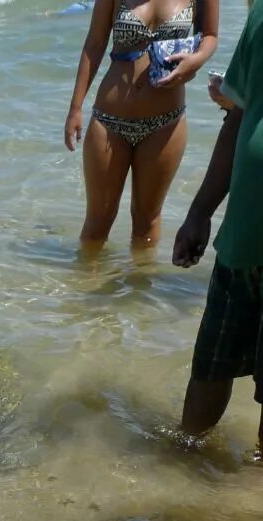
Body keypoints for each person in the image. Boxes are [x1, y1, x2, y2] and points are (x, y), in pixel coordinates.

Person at [173, 0, 263, 446]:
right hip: (243, 235)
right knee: (210, 367)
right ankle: (179, 473)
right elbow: (240, 113)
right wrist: (199, 212)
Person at [64, 0, 219, 249]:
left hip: (166, 122)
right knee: (97, 222)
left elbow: (210, 35)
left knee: (147, 222)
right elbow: (94, 44)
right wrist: (75, 108)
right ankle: (84, 284)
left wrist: (197, 59)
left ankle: (140, 286)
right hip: (109, 120)